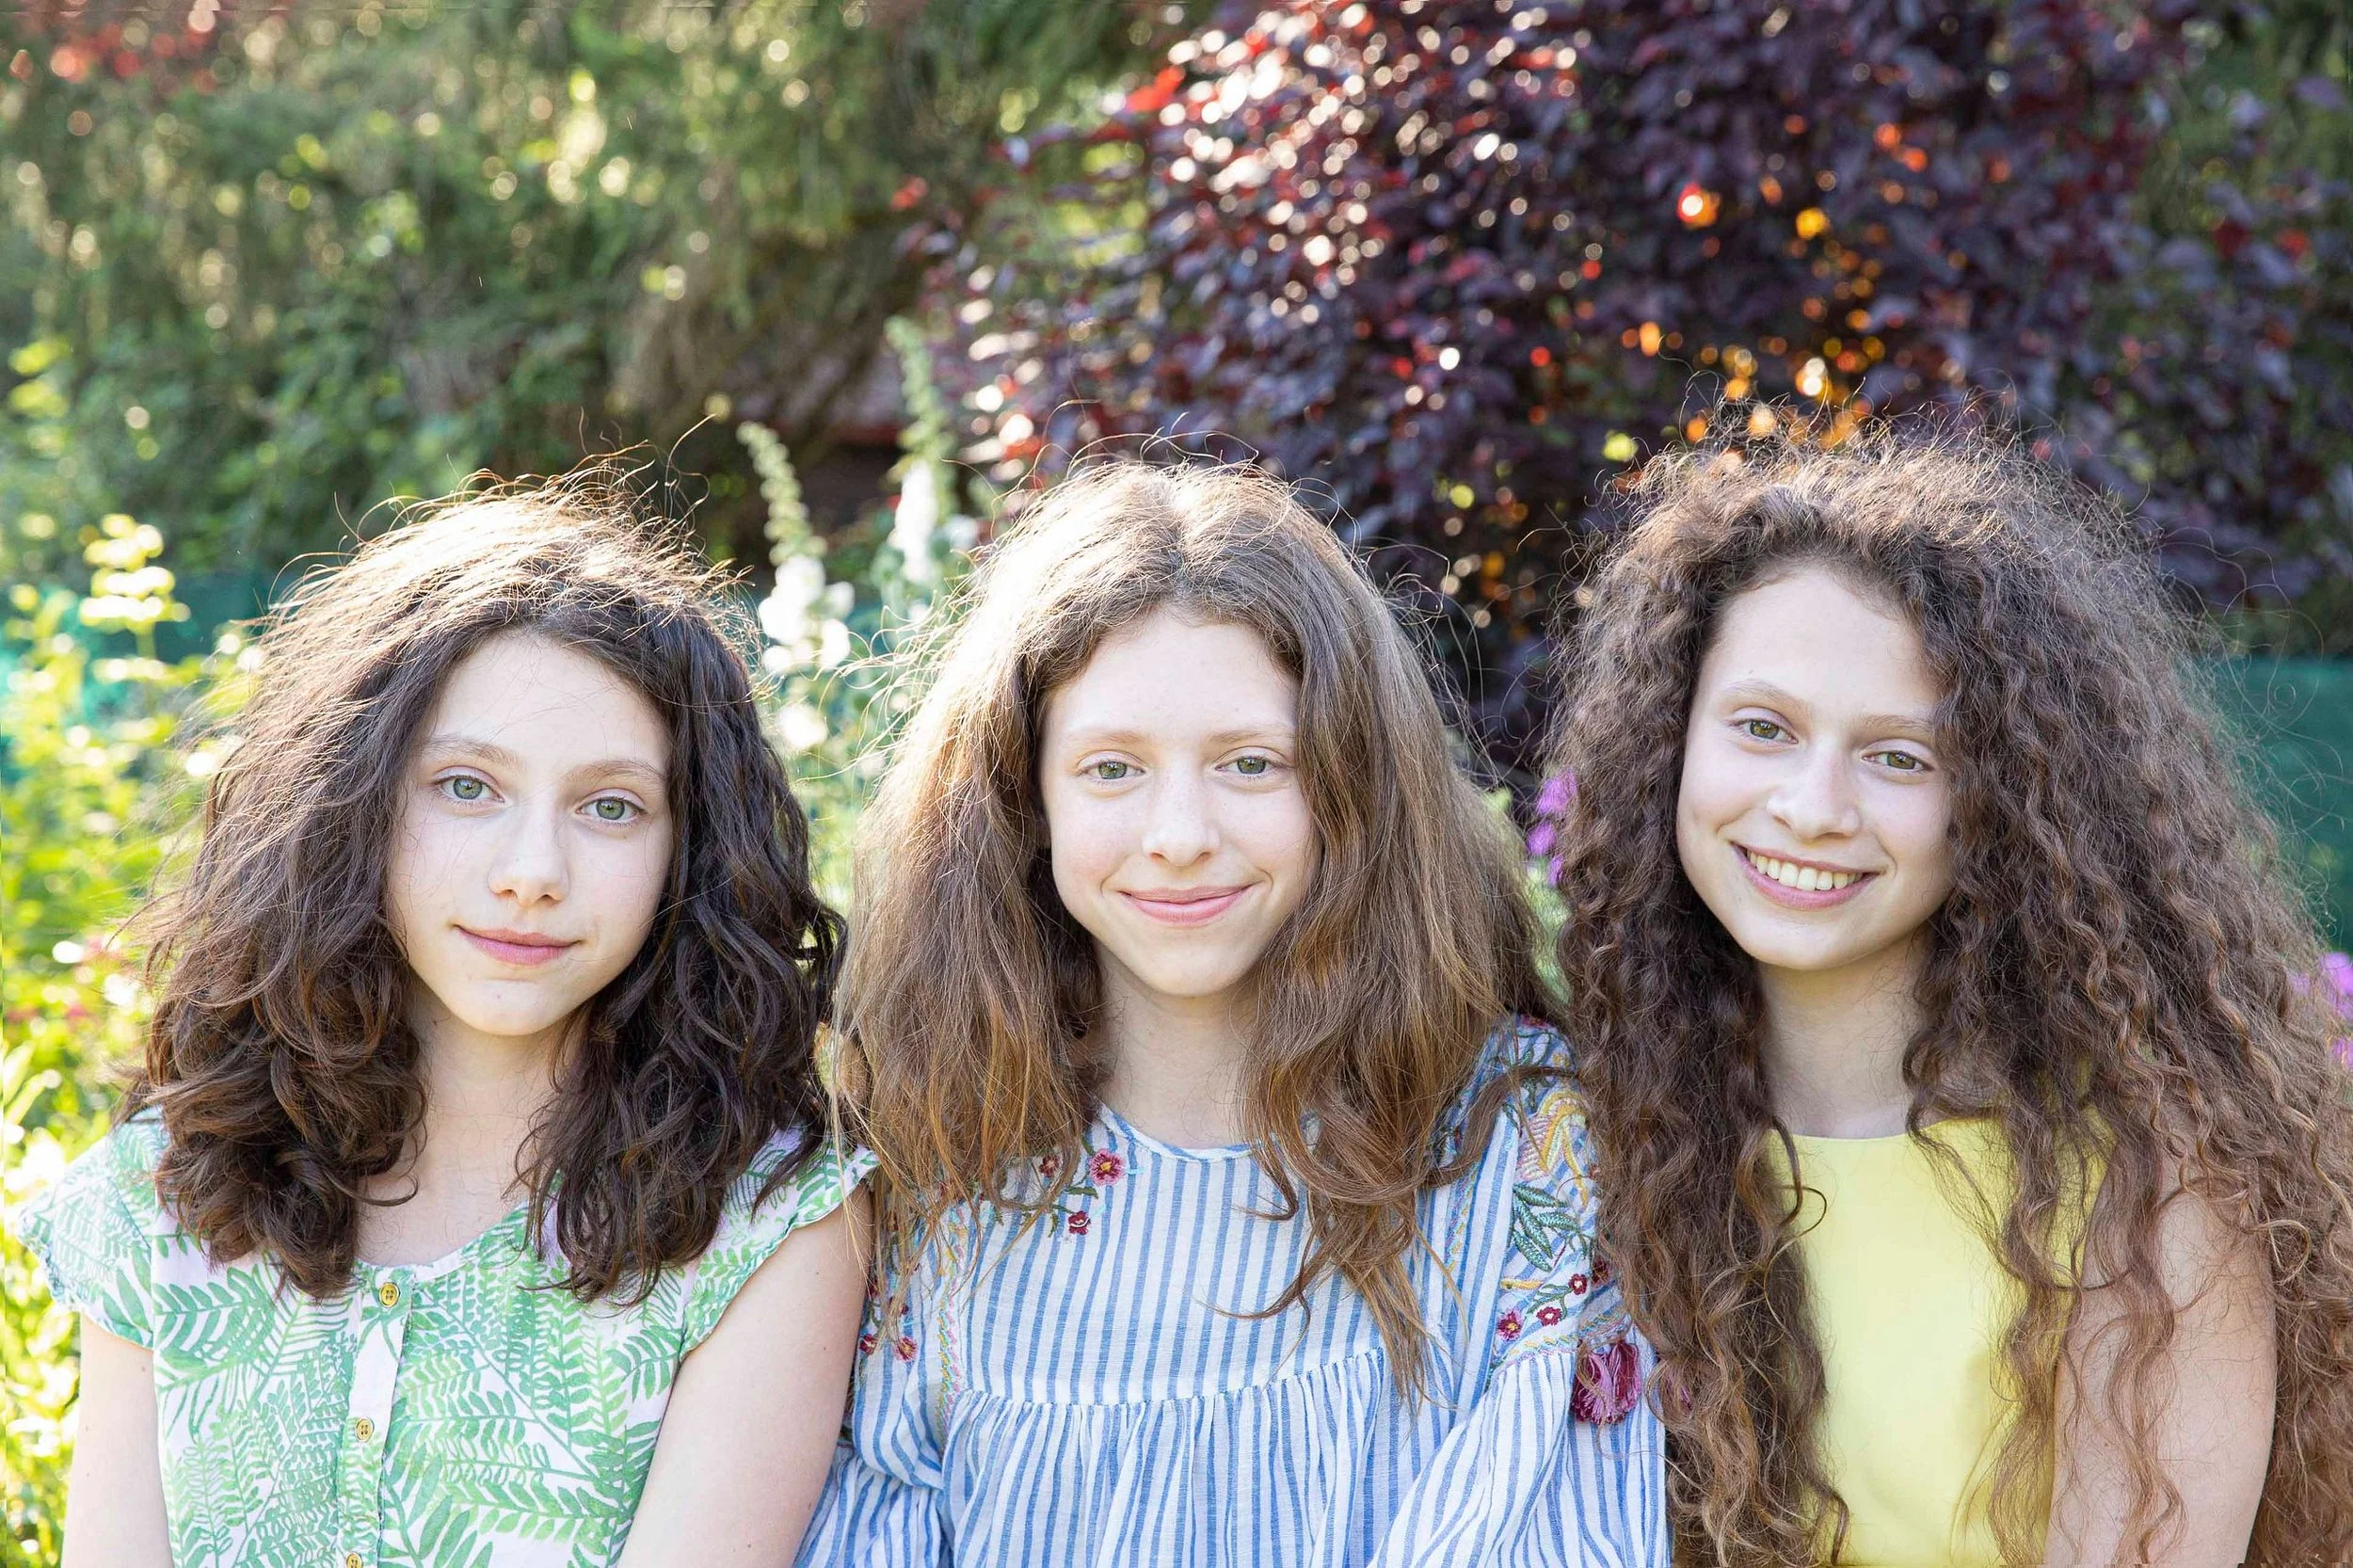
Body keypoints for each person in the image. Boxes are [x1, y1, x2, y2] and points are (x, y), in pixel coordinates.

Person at [796, 459, 1664, 1568]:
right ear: (1024, 801)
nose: (1179, 833)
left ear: (1350, 786)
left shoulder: (1527, 1147)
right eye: (1111, 768)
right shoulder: (928, 1174)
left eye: (1251, 764)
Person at [19, 473, 873, 1568]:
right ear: (353, 801)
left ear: (688, 848)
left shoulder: (767, 1221)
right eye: (467, 787)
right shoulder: (167, 1193)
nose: (532, 872)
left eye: (610, 806)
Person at [1545, 427, 2353, 1567]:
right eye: (1763, 729)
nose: (1813, 807)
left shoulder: (2148, 1181)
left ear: (2008, 804)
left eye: (1899, 757)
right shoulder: (1583, 1139)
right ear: (1667, 742)